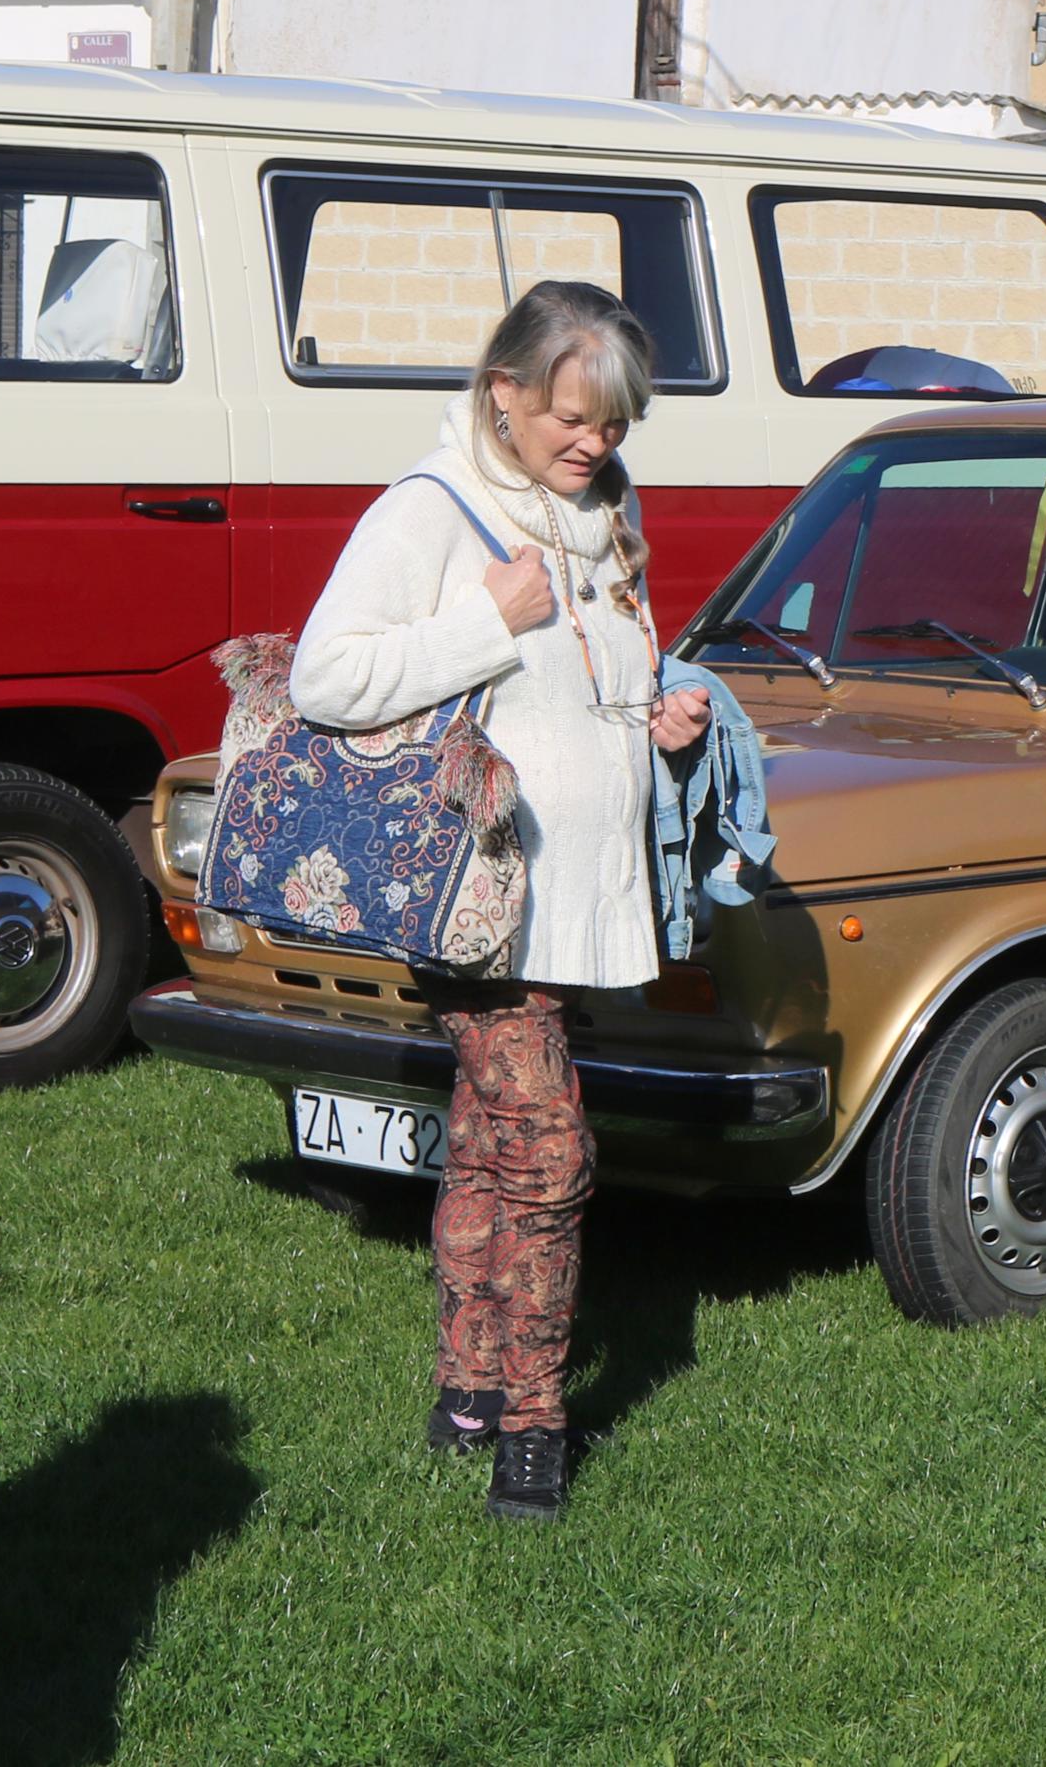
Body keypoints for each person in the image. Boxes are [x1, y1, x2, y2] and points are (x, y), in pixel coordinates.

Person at [291, 281, 710, 1521]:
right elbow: (327, 674)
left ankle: (464, 1391)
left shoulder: (604, 514)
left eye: (618, 425)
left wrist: (661, 720)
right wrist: (487, 616)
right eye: (575, 419)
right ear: (504, 395)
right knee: (552, 1158)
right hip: (471, 897)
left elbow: (595, 679)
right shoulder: (431, 509)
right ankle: (534, 1423)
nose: (596, 446)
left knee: (484, 1142)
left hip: (573, 901)